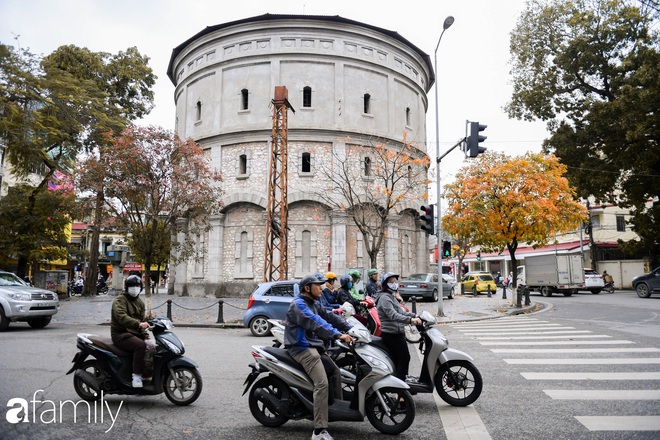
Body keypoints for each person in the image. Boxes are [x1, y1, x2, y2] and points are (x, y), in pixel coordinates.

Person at [284, 275, 353, 440]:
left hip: (313, 345)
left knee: (335, 371)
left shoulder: (314, 303)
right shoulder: (298, 305)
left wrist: (350, 327)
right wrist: (338, 335)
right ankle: (319, 430)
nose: (321, 289)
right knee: (321, 384)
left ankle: (333, 410)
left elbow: (329, 316)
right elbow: (315, 321)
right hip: (302, 348)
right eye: (318, 286)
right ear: (307, 288)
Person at [376, 272, 421, 381]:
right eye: (391, 282)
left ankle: (402, 380)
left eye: (395, 281)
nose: (394, 284)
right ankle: (400, 389)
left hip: (397, 333)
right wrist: (411, 320)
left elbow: (400, 311)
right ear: (386, 284)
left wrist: (415, 315)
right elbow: (393, 315)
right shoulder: (384, 299)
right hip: (391, 335)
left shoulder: (391, 297)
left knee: (401, 359)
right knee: (404, 358)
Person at [110, 275, 150, 388]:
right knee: (140, 345)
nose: (135, 288)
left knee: (151, 345)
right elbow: (122, 317)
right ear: (127, 287)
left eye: (137, 286)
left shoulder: (140, 303)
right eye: (132, 286)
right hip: (121, 334)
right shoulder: (120, 300)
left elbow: (142, 321)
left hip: (134, 334)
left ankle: (145, 372)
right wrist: (138, 324)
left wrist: (146, 335)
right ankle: (136, 376)